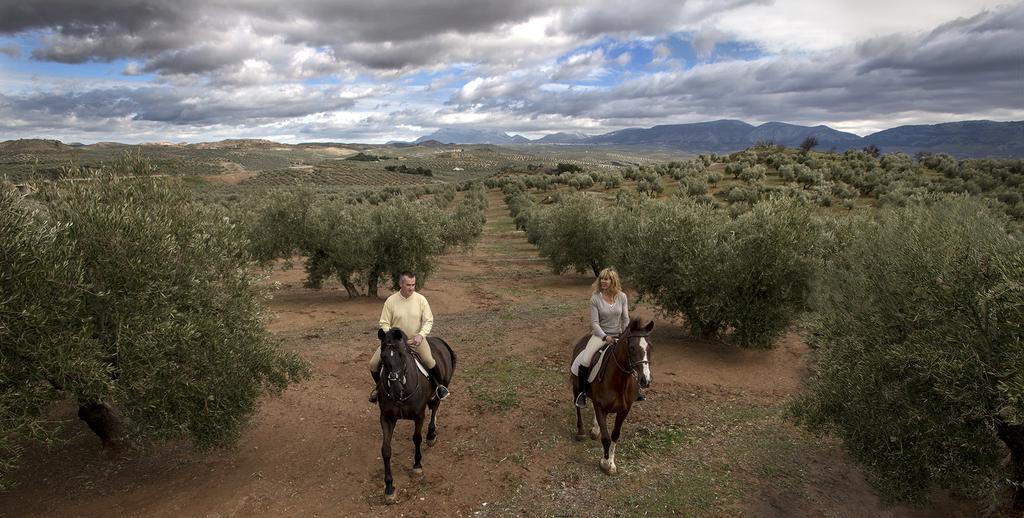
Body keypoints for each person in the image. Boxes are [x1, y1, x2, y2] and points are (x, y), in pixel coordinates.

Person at [368, 272, 450, 403]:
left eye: (413, 285)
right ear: (400, 284)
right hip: (394, 343)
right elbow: (384, 322)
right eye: (408, 285)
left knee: (429, 361)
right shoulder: (391, 301)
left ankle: (439, 387)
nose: (411, 288)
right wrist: (391, 336)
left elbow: (428, 321)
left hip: (415, 341)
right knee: (373, 364)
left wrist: (421, 335)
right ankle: (379, 389)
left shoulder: (421, 300)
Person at [574, 267, 636, 408]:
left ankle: (636, 390)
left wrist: (626, 335)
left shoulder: (622, 297)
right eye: (601, 278)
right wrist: (605, 337)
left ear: (613, 281)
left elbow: (625, 319)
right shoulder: (595, 298)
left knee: (633, 357)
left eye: (606, 279)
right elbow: (595, 323)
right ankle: (582, 393)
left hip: (619, 335)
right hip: (600, 336)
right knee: (585, 361)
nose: (603, 281)